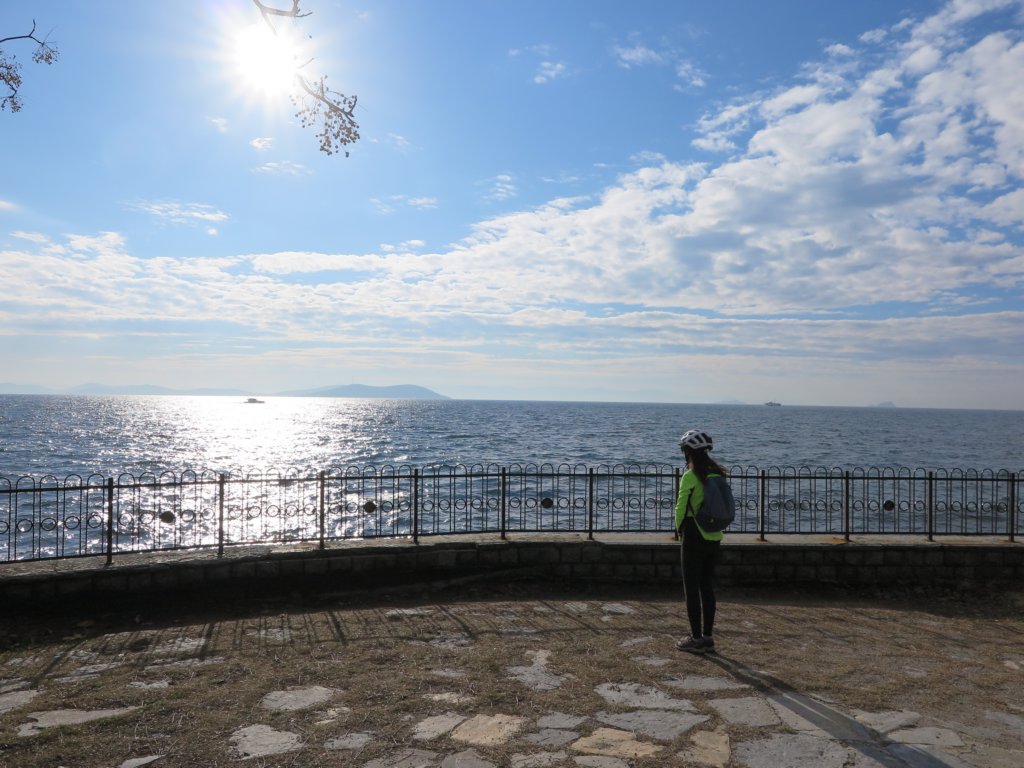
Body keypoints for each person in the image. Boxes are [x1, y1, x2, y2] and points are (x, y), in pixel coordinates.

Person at [674, 429, 726, 654]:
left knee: (691, 588)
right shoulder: (718, 474)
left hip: (693, 534)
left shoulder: (690, 475)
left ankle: (695, 639)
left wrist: (679, 530)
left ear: (688, 452)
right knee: (707, 587)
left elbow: (680, 507)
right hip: (714, 535)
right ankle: (708, 637)